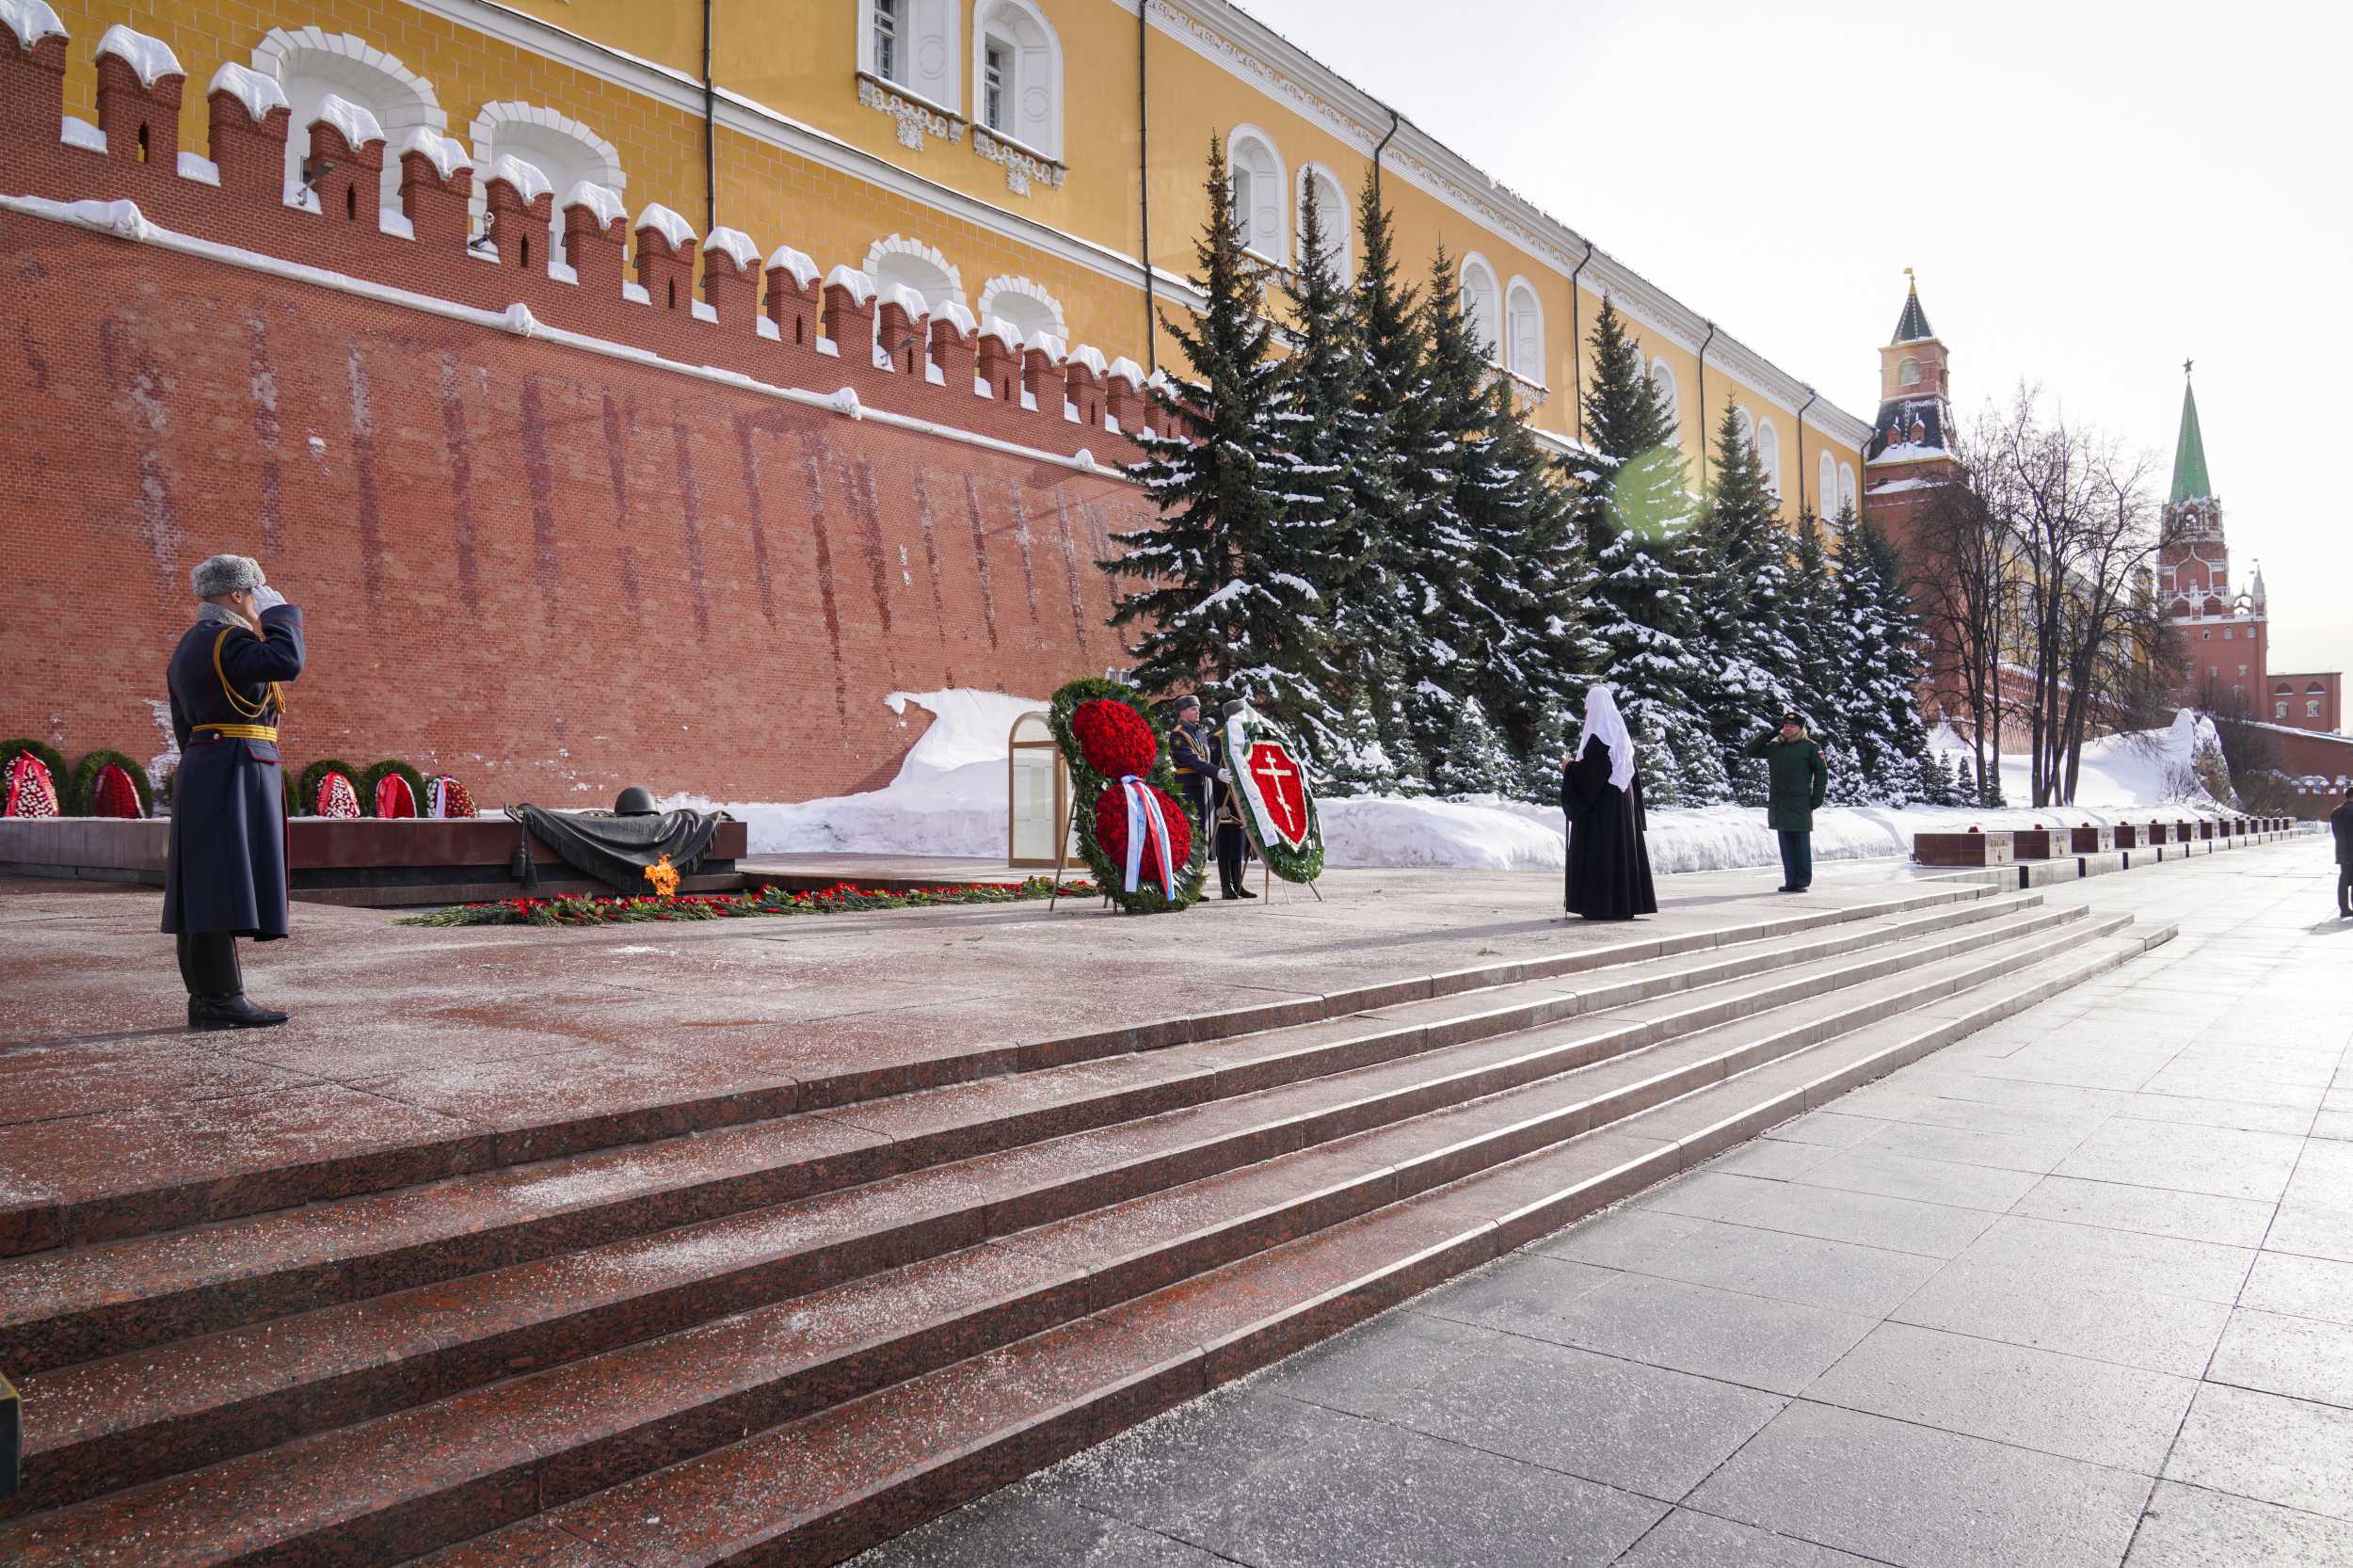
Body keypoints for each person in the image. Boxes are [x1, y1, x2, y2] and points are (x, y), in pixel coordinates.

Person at [164, 553, 305, 1028]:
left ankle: (210, 999)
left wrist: (206, 761)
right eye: (258, 591)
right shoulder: (229, 639)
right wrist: (279, 615)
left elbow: (183, 722)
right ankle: (221, 1001)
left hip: (211, 763)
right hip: (236, 766)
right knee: (215, 885)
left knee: (205, 886)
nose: (261, 599)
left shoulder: (193, 643)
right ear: (239, 595)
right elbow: (287, 661)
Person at [1561, 684, 1657, 920]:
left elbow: (1591, 777)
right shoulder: (1621, 737)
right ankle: (1622, 905)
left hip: (1602, 811)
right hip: (1622, 808)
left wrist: (1569, 768)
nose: (1586, 714)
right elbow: (1632, 777)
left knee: (1602, 853)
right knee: (1621, 853)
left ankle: (1601, 906)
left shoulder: (1598, 739)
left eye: (1587, 709)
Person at [1748, 711, 1829, 893]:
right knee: (1786, 845)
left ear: (1801, 728)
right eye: (1785, 725)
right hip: (1780, 803)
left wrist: (1816, 799)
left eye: (1792, 726)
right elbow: (1749, 751)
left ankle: (1802, 881)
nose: (1788, 729)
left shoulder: (1810, 747)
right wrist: (1771, 733)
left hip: (1800, 802)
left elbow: (1822, 774)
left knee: (1800, 843)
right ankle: (1790, 880)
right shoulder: (1776, 747)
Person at [1208, 698, 1256, 900]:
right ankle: (1227, 887)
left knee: (1239, 842)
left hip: (1241, 799)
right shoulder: (1218, 738)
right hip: (1226, 799)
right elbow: (1217, 773)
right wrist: (1219, 804)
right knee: (1225, 842)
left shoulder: (1244, 738)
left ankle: (1238, 884)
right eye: (1241, 713)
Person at [1169, 696, 1213, 834]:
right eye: (1193, 709)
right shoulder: (1177, 734)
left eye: (1198, 709)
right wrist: (1217, 772)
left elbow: (1208, 758)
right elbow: (1193, 760)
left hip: (1203, 785)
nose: (1197, 712)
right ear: (1182, 712)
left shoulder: (1199, 733)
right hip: (1187, 787)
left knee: (1203, 830)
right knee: (1191, 830)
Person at [2332, 783, 2353, 918]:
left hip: (2342, 850)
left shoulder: (2336, 811)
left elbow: (2335, 833)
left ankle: (2344, 908)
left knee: (2344, 880)